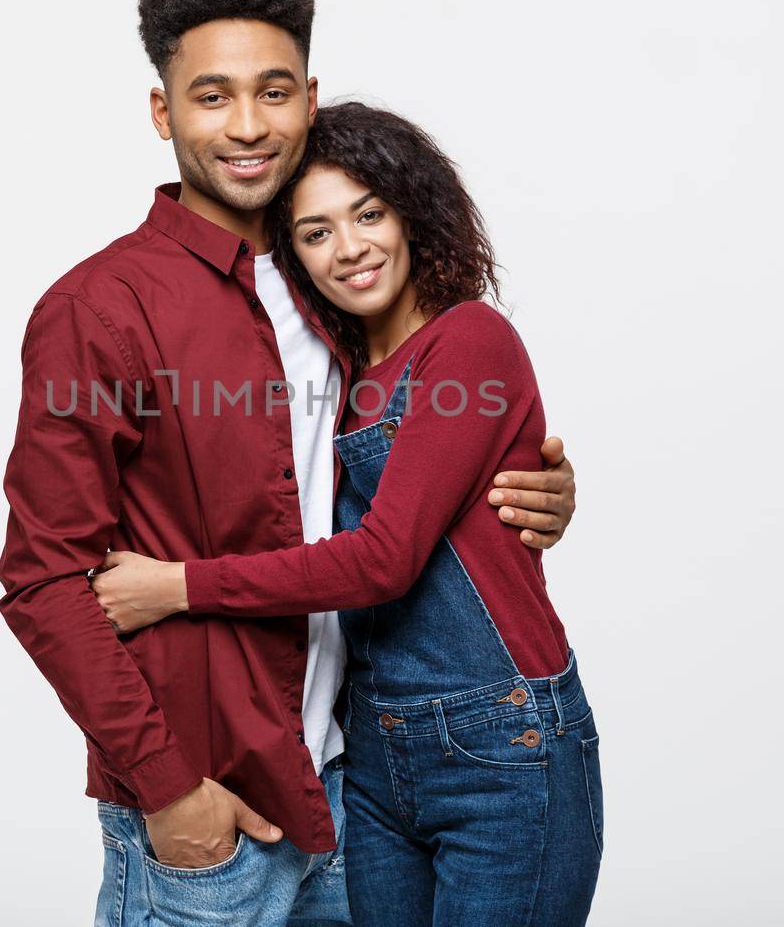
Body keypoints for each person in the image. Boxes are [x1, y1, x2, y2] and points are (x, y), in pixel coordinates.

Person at [0, 0, 578, 927]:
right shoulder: (100, 306)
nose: (247, 125)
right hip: (209, 812)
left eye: (271, 91)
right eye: (212, 96)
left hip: (353, 795)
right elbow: (44, 577)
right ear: (162, 112)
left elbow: (399, 485)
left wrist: (533, 486)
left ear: (307, 98)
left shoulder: (328, 295)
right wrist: (170, 785)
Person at [91, 101, 604, 925]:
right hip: (373, 752)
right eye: (317, 231)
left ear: (412, 212)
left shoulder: (468, 340)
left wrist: (178, 585)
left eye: (368, 213)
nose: (352, 246)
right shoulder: (336, 372)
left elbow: (381, 559)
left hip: (501, 745)